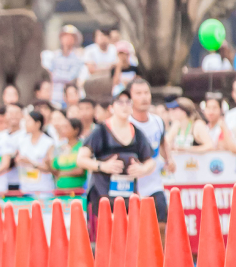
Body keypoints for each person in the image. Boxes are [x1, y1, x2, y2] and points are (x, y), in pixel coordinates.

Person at [77, 89, 157, 219]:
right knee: (107, 234)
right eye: (120, 102)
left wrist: (142, 169)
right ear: (111, 108)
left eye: (128, 102)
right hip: (103, 195)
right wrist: (102, 166)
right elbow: (81, 159)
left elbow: (151, 161)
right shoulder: (101, 131)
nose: (124, 106)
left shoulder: (137, 132)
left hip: (129, 196)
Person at [129, 78, 173, 226]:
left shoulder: (157, 122)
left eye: (146, 93)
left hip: (154, 184)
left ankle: (161, 250)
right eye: (138, 93)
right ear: (130, 98)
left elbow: (162, 141)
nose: (143, 97)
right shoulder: (126, 124)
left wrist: (169, 159)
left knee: (162, 222)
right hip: (131, 187)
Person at [14, 110, 55, 197]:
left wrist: (31, 163)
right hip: (25, 189)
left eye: (29, 121)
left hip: (43, 190)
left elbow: (50, 168)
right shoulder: (22, 141)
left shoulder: (48, 142)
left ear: (38, 124)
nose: (25, 124)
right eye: (25, 121)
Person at [44, 25, 84, 107]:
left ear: (75, 40)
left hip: (70, 98)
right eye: (65, 36)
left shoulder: (78, 58)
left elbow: (70, 77)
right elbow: (48, 74)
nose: (67, 39)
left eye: (70, 37)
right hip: (53, 96)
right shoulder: (54, 56)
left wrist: (55, 75)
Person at [52, 116, 87, 191]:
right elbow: (54, 169)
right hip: (60, 190)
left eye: (66, 127)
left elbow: (80, 170)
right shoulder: (60, 147)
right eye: (62, 127)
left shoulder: (82, 147)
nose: (62, 130)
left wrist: (63, 173)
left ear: (76, 130)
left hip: (77, 191)